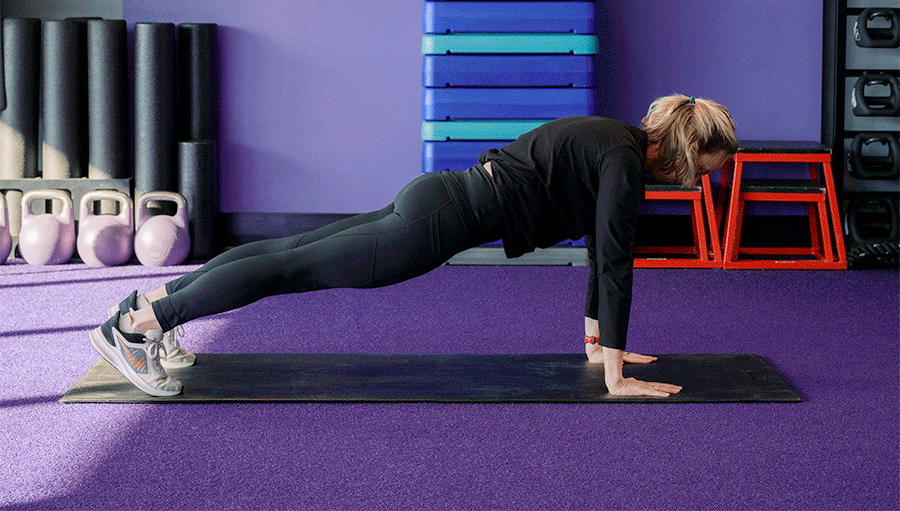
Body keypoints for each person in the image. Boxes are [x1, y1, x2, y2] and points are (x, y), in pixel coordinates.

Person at [89, 94, 738, 399]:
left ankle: (155, 301)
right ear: (686, 148)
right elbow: (617, 264)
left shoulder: (615, 140)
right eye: (706, 166)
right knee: (292, 268)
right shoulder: (625, 166)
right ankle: (141, 325)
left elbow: (601, 255)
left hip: (436, 194)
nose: (703, 178)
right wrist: (618, 377)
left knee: (288, 251)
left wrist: (601, 351)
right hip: (436, 225)